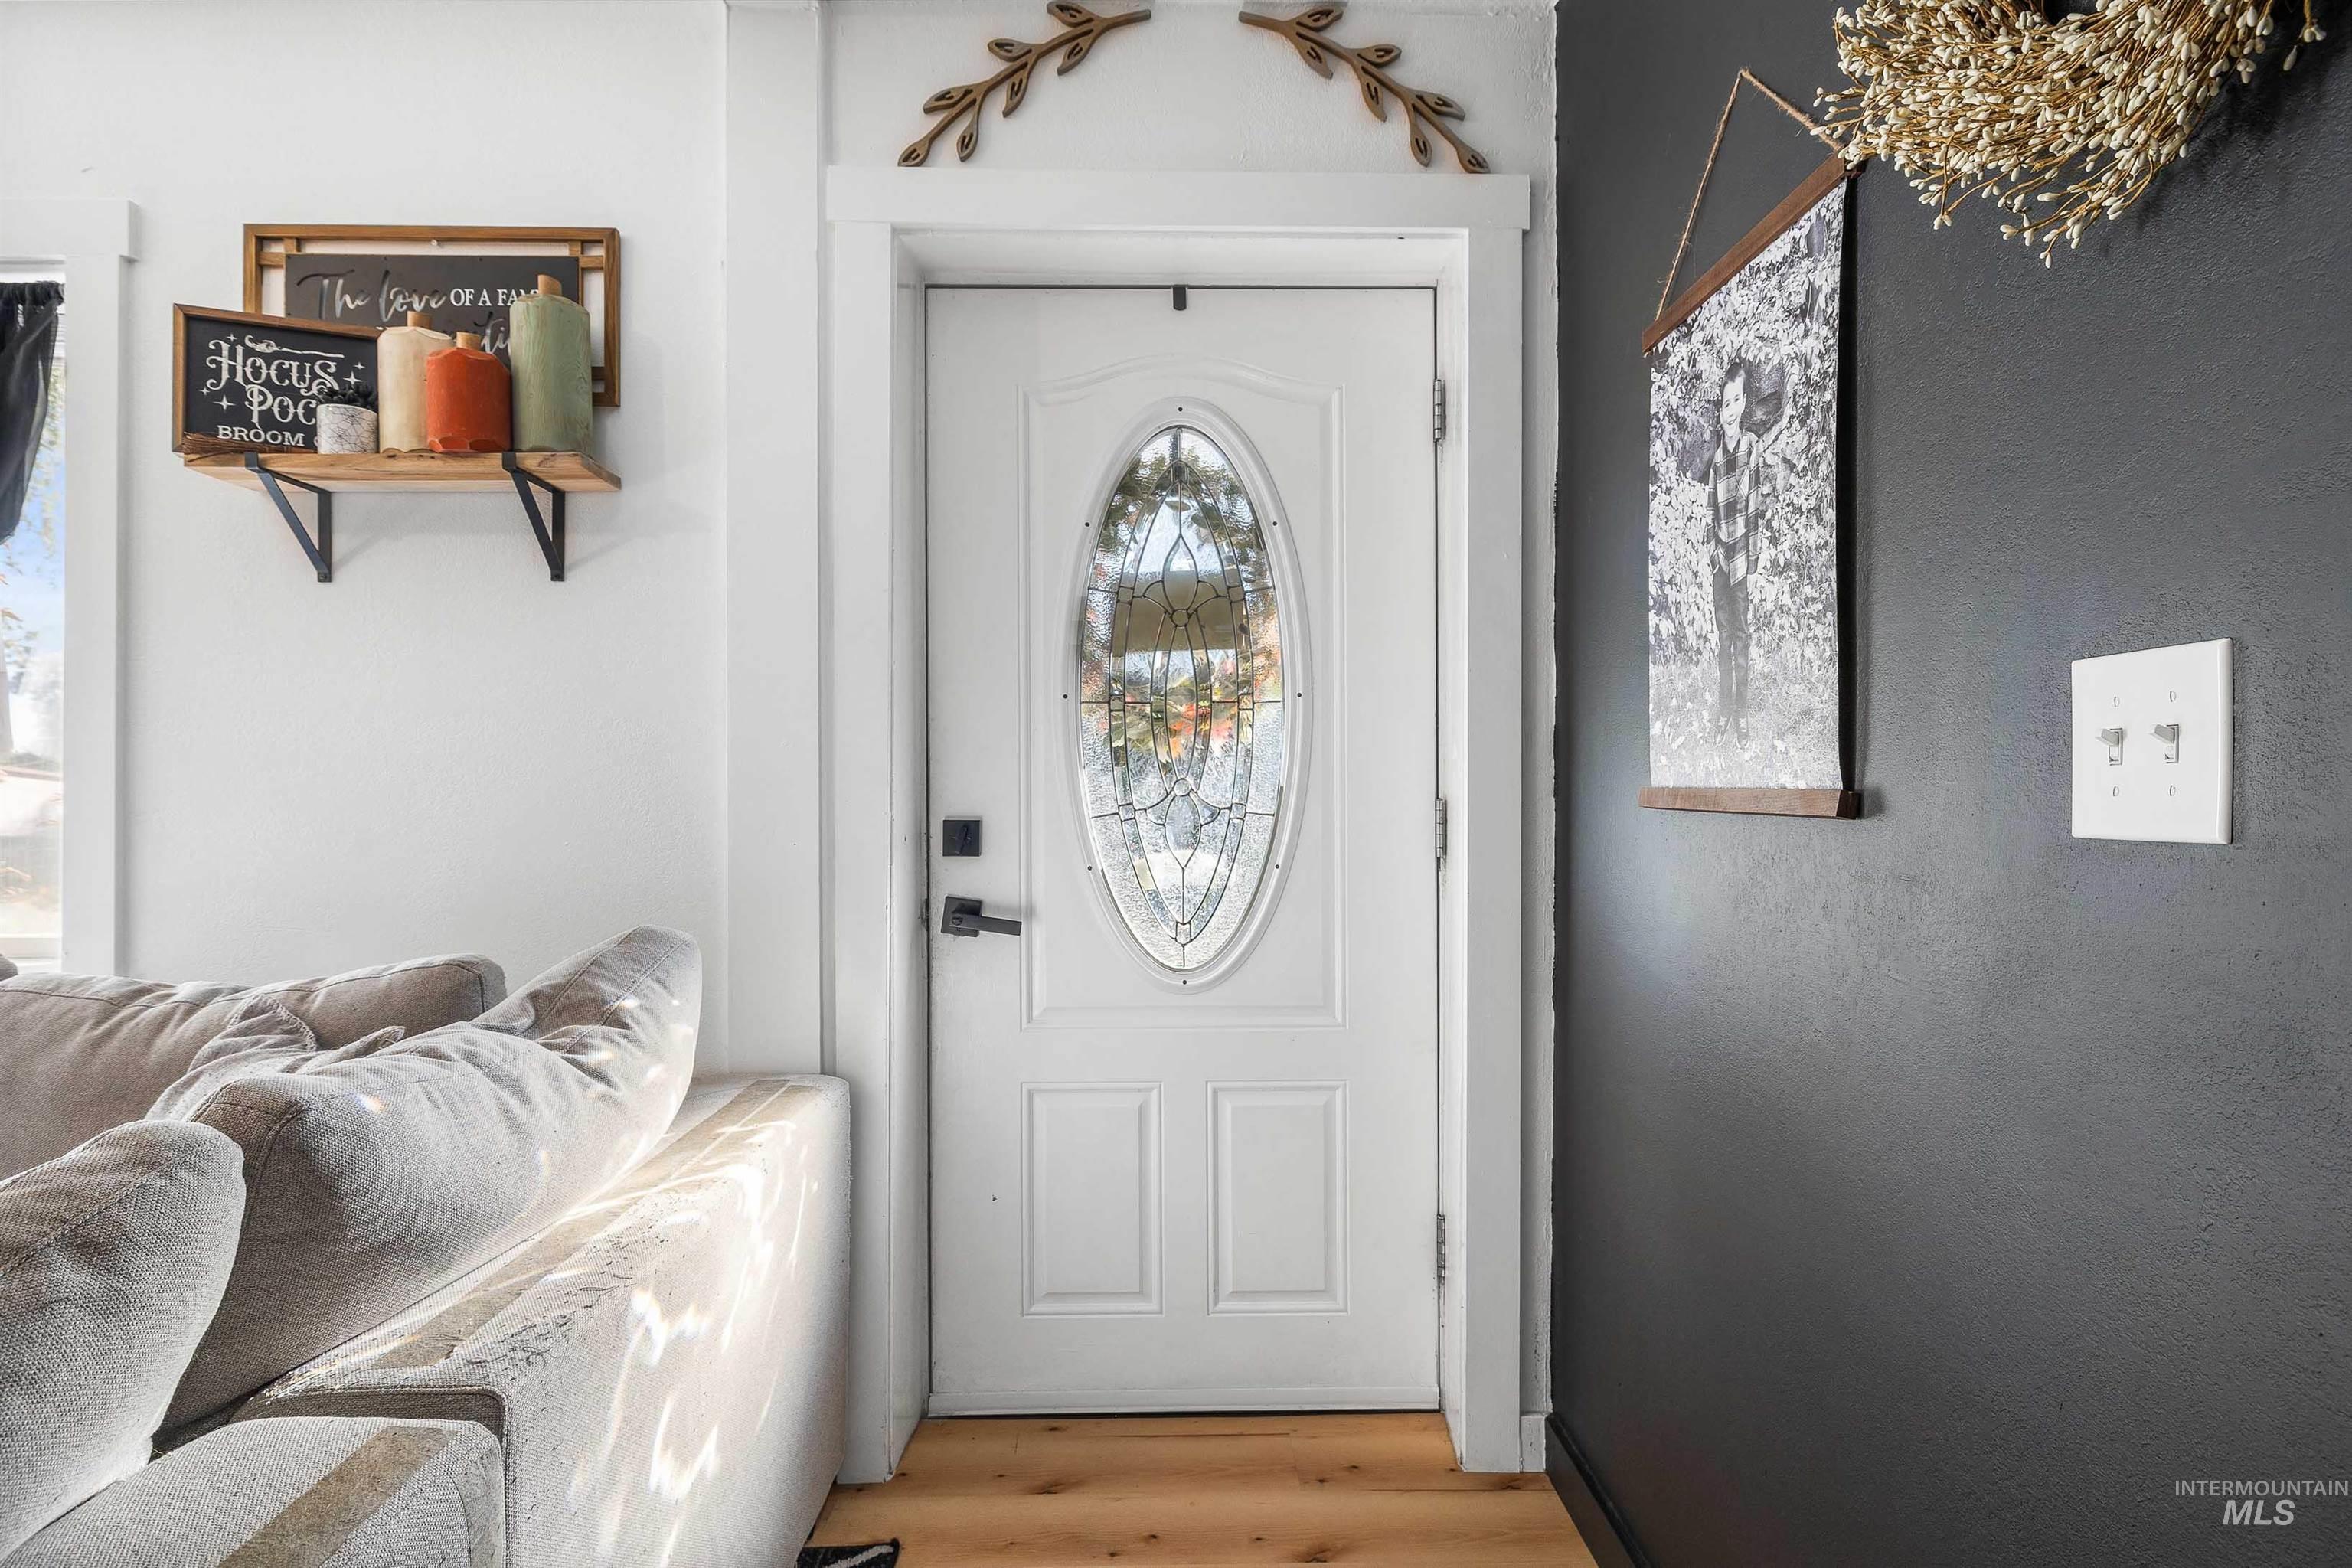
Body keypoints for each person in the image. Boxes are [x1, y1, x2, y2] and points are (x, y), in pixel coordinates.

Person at [1702, 357, 1783, 742]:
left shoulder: (1750, 449)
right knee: (1723, 637)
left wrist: (1749, 560)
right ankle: (1723, 713)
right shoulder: (1717, 461)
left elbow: (1752, 509)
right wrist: (1713, 551)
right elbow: (1710, 512)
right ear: (1720, 410)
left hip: (1740, 566)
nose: (1730, 409)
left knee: (1742, 637)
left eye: (1736, 401)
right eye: (1724, 403)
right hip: (1721, 564)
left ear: (1744, 401)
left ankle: (1742, 713)